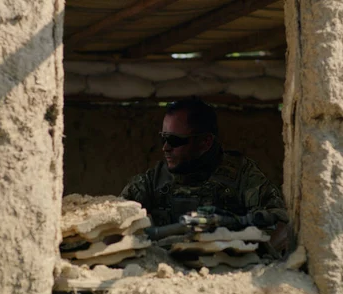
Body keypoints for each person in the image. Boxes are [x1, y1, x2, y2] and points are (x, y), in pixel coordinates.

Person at [120, 98, 288, 234]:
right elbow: (115, 215)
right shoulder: (154, 180)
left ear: (205, 142)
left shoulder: (240, 175)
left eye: (175, 140)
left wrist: (234, 224)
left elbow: (280, 220)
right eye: (163, 138)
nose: (166, 148)